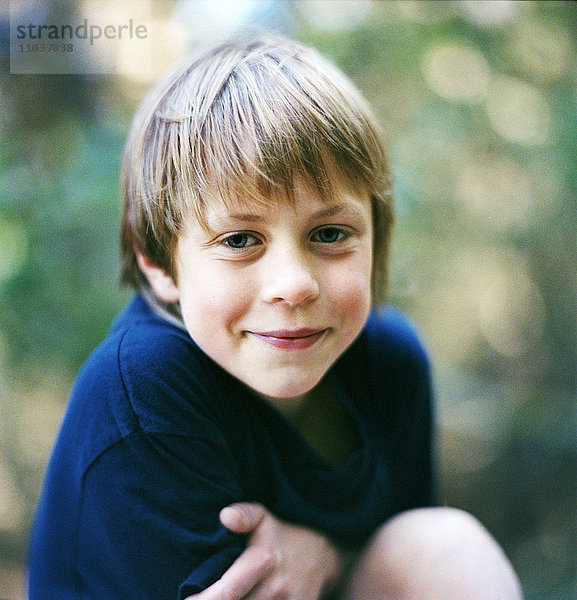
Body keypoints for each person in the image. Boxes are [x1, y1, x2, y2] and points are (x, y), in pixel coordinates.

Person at [27, 34, 523, 600]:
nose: (293, 284)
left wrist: (327, 557)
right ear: (159, 262)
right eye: (240, 239)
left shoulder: (389, 362)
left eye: (330, 234)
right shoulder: (144, 387)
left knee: (445, 553)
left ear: (376, 240)